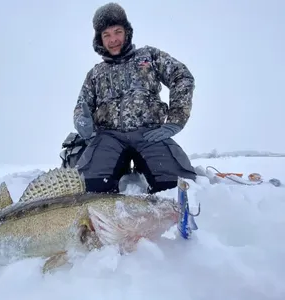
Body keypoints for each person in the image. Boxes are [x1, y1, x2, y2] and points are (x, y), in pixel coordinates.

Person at [72, 2, 197, 194]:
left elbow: (182, 76)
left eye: (117, 32)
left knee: (179, 187)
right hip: (108, 137)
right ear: (100, 39)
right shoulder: (95, 73)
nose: (113, 39)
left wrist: (175, 121)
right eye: (107, 35)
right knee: (88, 187)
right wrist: (83, 122)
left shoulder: (149, 56)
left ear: (127, 32)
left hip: (149, 134)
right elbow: (82, 106)